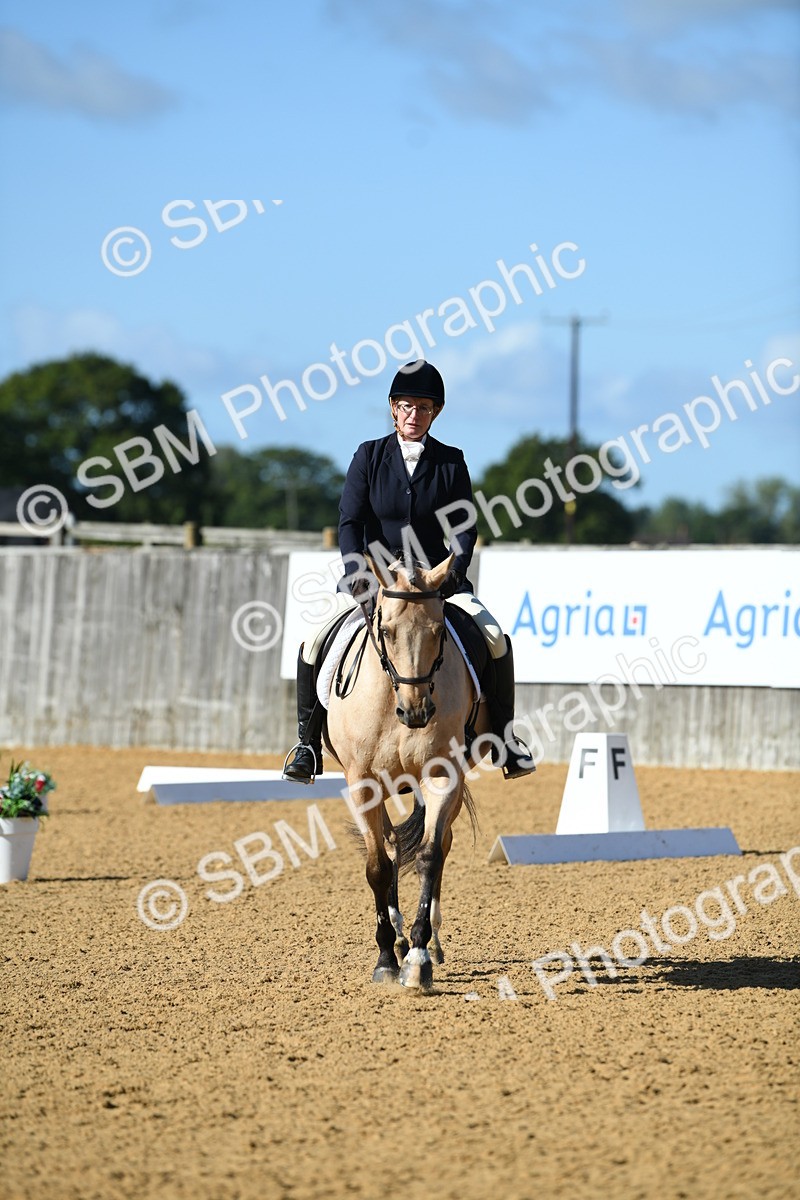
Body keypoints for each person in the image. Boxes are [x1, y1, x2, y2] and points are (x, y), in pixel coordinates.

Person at [283, 359, 535, 784]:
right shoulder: (368, 456)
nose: (412, 415)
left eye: (421, 408)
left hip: (436, 582)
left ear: (434, 412)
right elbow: (350, 523)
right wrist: (358, 575)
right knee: (313, 641)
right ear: (392, 408)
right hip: (379, 580)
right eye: (404, 406)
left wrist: (451, 574)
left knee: (494, 638)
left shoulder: (451, 462)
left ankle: (505, 738)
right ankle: (307, 744)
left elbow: (464, 528)